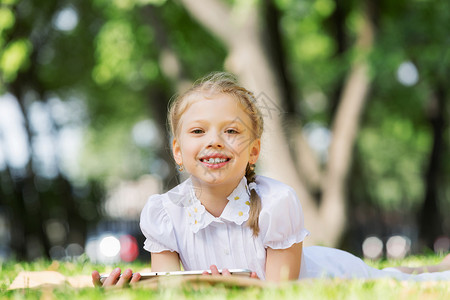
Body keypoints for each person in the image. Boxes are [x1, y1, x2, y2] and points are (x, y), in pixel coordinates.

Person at [92, 72, 450, 287]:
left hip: (327, 273)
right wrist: (132, 289)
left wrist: (228, 289)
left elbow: (280, 292)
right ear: (178, 152)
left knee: (403, 281)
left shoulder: (276, 203)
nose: (214, 140)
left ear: (253, 151)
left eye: (231, 131)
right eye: (198, 131)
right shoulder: (164, 213)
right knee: (406, 270)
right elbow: (172, 290)